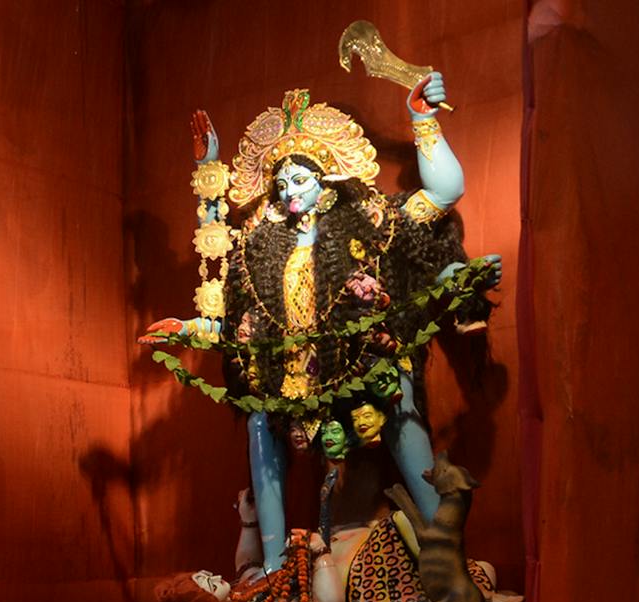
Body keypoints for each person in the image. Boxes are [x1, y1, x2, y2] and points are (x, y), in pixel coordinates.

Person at [142, 74, 503, 575]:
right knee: (259, 421)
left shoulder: (367, 220)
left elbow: (444, 192)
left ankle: (446, 549)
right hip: (287, 381)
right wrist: (185, 330)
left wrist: (423, 120)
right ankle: (271, 569)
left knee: (397, 398)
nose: (290, 193)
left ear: (326, 179)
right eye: (283, 183)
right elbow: (229, 321)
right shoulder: (259, 246)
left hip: (358, 364)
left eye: (301, 181)